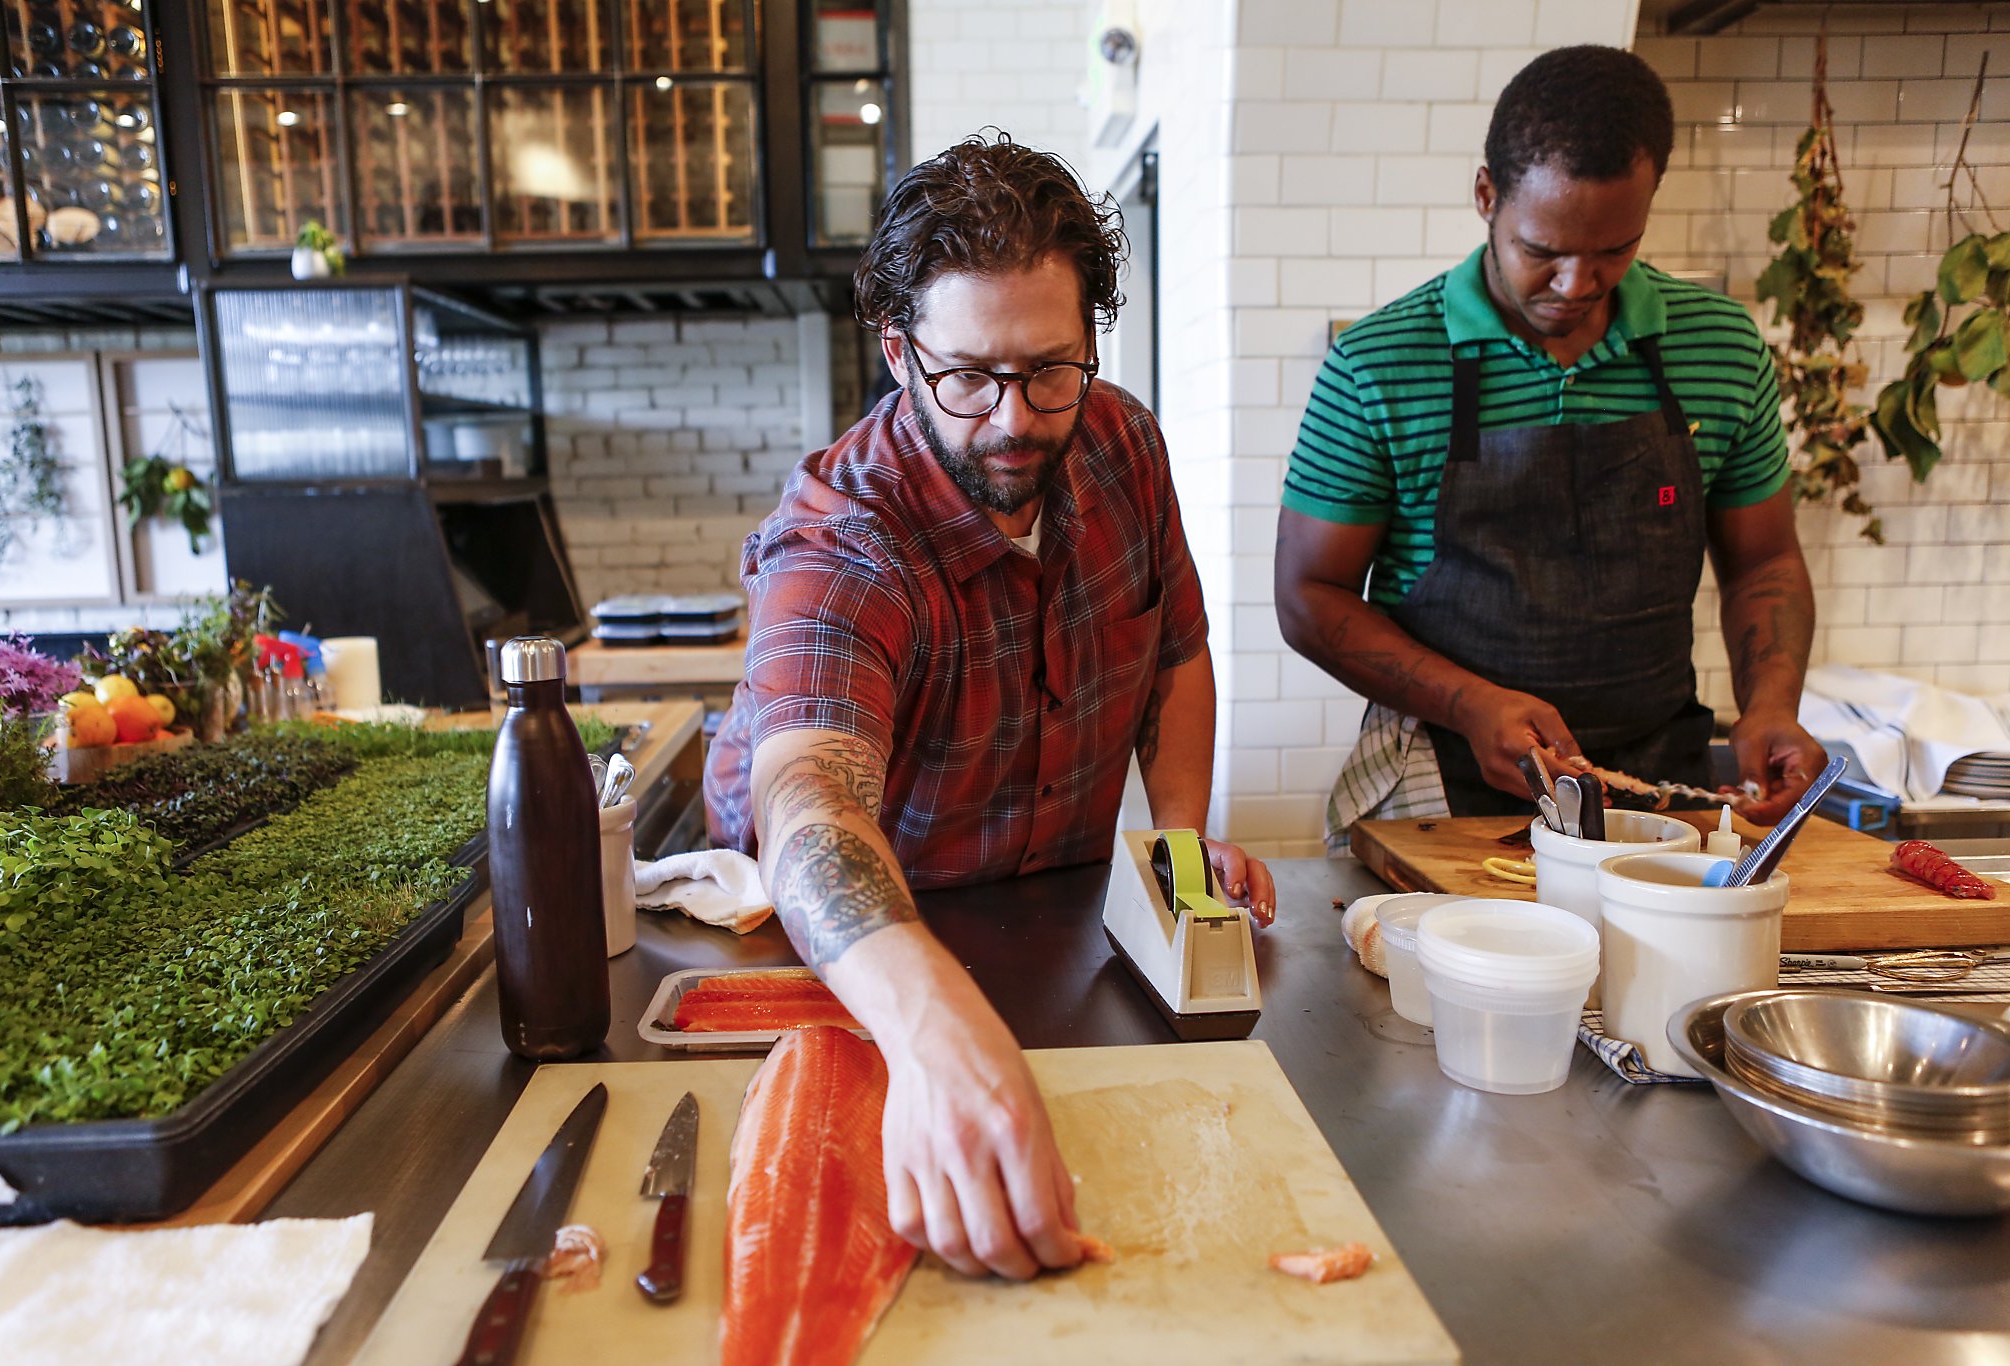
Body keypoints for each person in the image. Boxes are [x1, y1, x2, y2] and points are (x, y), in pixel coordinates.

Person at [704, 133, 1275, 1280]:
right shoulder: (843, 539)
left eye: (1049, 371)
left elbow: (1174, 653)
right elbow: (806, 795)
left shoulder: (1118, 442)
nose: (1012, 419)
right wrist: (928, 1031)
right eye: (965, 377)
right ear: (898, 352)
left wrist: (1173, 848)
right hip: (856, 961)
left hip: (1044, 923)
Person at [1274, 45, 1827, 851]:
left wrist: (1771, 706)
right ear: (1486, 195)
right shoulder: (1382, 363)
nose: (1576, 283)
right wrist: (1468, 703)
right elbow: (1309, 595)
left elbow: (1766, 564)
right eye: (1543, 252)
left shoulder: (1720, 347)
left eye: (1613, 250)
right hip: (1450, 786)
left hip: (1659, 786)